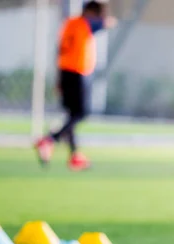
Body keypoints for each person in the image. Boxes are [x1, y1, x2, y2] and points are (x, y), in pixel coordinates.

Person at [35, 1, 116, 171]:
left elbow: (60, 50)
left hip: (65, 72)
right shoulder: (83, 24)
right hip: (77, 73)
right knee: (81, 113)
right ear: (90, 13)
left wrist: (58, 79)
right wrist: (106, 19)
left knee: (71, 115)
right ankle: (50, 139)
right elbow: (105, 23)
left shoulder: (70, 24)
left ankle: (74, 156)